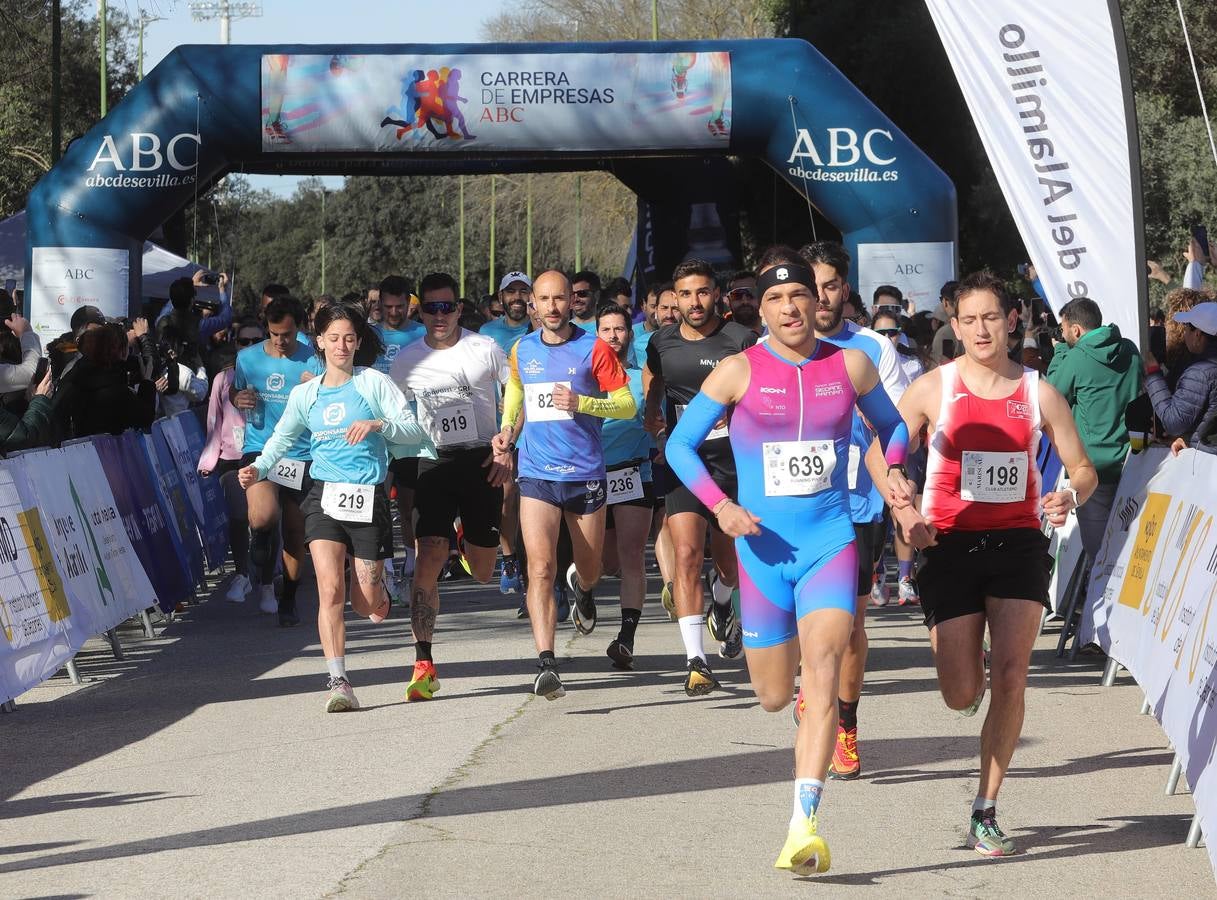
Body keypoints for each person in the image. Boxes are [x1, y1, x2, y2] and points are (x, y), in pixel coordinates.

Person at [665, 258, 909, 876]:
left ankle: (805, 822)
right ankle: (799, 701)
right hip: (762, 552)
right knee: (775, 696)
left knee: (824, 666)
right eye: (778, 298)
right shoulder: (737, 370)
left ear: (817, 301)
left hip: (830, 539)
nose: (792, 307)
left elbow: (894, 426)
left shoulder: (849, 364)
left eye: (801, 294)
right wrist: (720, 508)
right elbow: (678, 445)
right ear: (761, 308)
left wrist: (897, 464)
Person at [888, 270, 1097, 857]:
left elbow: (1082, 468)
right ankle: (969, 665)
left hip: (1018, 547)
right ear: (954, 327)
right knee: (960, 693)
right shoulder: (935, 388)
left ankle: (987, 807)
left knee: (1011, 675)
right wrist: (899, 491)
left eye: (991, 318)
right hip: (947, 547)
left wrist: (1068, 494)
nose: (981, 330)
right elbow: (889, 451)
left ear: (1013, 321)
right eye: (969, 320)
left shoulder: (1039, 391)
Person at [240, 300, 432, 712]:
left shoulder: (372, 385)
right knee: (330, 590)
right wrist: (258, 468)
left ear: (358, 341)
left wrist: (379, 425)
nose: (341, 345)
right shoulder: (306, 393)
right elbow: (282, 438)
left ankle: (380, 589)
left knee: (365, 605)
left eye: (349, 338)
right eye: (333, 338)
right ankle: (339, 682)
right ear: (320, 343)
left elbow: (413, 427)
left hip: (368, 500)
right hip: (324, 498)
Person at [777, 241, 910, 782]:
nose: (821, 297)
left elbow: (896, 426)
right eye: (812, 287)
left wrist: (897, 479)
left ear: (844, 289)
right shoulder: (771, 346)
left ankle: (845, 724)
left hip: (855, 504)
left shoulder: (873, 350)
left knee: (851, 625)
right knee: (797, 621)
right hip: (788, 505)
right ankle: (812, 692)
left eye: (830, 285)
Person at [491, 270, 635, 700]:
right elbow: (516, 391)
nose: (552, 308)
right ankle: (547, 662)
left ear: (573, 301)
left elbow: (626, 405)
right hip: (537, 474)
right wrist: (506, 431)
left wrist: (583, 402)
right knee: (539, 568)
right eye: (544, 299)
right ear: (532, 303)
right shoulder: (522, 349)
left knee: (592, 569)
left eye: (560, 299)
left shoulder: (593, 348)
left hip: (585, 474)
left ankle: (584, 589)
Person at [390, 273, 513, 700]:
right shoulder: (406, 361)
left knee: (482, 573)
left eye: (447, 307)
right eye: (430, 308)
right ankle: (422, 663)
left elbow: (518, 394)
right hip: (434, 464)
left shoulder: (485, 349)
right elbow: (390, 410)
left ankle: (467, 540)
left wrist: (507, 446)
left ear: (459, 308)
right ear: (418, 310)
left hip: (482, 461)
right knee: (428, 561)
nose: (439, 316)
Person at [644, 258, 757, 695]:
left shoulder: (740, 339)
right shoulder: (662, 341)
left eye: (703, 292)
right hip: (684, 459)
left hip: (732, 461)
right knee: (687, 553)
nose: (694, 302)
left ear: (718, 295)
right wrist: (652, 411)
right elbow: (654, 375)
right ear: (675, 298)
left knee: (729, 565)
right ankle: (696, 659)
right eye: (685, 294)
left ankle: (723, 599)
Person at [231, 296, 315, 624]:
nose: (281, 341)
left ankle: (289, 598)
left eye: (288, 335)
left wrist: (318, 390)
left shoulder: (314, 360)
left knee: (295, 533)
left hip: (302, 453)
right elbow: (235, 393)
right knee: (263, 517)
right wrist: (237, 397)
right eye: (275, 334)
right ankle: (261, 541)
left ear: (299, 329)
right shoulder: (247, 358)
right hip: (261, 447)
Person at [1046, 297, 1143, 562]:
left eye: (1064, 329)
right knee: (1128, 541)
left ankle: (1100, 598)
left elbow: (1052, 393)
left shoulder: (1076, 356)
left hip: (1092, 466)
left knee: (1098, 550)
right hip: (1131, 459)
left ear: (1076, 330)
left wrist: (1059, 352)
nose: (1063, 335)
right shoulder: (1130, 349)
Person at [595, 302, 655, 670]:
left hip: (634, 473)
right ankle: (581, 586)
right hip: (590, 475)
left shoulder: (641, 378)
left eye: (620, 330)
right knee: (602, 563)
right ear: (596, 335)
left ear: (629, 335)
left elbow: (656, 419)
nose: (614, 336)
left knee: (632, 556)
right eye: (606, 330)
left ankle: (626, 637)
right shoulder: (583, 377)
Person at [201, 320, 265, 603]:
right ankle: (242, 574)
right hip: (231, 459)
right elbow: (214, 423)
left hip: (266, 457)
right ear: (236, 345)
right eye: (244, 342)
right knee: (239, 516)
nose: (249, 347)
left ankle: (267, 577)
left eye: (256, 341)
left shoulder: (273, 376)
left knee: (263, 520)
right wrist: (208, 460)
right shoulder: (222, 380)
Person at [479, 271, 533, 592]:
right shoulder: (487, 333)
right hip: (501, 428)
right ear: (500, 299)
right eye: (510, 292)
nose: (516, 298)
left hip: (538, 426)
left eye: (522, 291)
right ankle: (511, 556)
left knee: (531, 499)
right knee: (505, 497)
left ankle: (532, 562)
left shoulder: (539, 329)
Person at [373, 276, 426, 583]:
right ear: (379, 304)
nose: (394, 312)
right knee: (379, 499)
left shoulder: (422, 333)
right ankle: (386, 564)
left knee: (409, 503)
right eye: (388, 306)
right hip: (378, 432)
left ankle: (411, 559)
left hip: (411, 430)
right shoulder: (370, 335)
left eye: (399, 306)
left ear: (409, 304)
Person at [52, 322, 156, 439]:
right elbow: (144, 418)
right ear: (121, 351)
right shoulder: (115, 389)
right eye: (128, 348)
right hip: (109, 452)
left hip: (80, 447)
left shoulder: (77, 374)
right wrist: (146, 382)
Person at [1144, 302, 1217, 455]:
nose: (1184, 334)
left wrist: (1153, 373)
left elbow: (1174, 423)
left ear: (1197, 334)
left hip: (1208, 464)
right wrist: (1189, 437)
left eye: (1186, 329)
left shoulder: (1200, 372)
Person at [930, 280, 961, 363]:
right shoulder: (974, 325)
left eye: (941, 299)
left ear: (945, 301)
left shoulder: (945, 333)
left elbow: (943, 366)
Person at [725, 269, 762, 336]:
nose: (745, 301)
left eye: (751, 294)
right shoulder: (719, 338)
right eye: (737, 295)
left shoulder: (777, 334)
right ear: (728, 300)